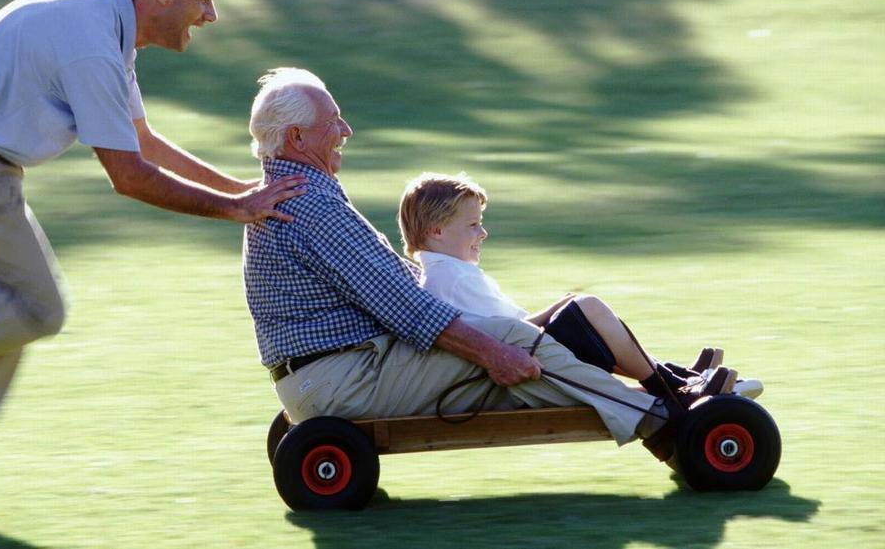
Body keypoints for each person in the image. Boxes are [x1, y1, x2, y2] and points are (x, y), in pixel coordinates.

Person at [0, 0, 307, 519]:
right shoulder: (93, 44)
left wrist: (241, 190)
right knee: (36, 308)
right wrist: (236, 210)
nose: (212, 14)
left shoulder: (106, 25)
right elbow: (130, 175)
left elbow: (141, 141)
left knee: (0, 318)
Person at [241, 67, 735, 474]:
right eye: (335, 121)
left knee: (511, 335)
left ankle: (658, 393)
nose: (346, 131)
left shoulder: (288, 193)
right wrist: (493, 350)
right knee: (513, 342)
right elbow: (408, 308)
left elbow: (392, 288)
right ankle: (665, 421)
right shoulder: (311, 205)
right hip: (342, 381)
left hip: (323, 378)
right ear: (297, 136)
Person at [396, 172, 763, 399]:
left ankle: (675, 377)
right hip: (520, 368)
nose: (483, 233)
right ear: (437, 231)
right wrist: (562, 308)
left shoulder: (447, 272)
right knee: (586, 308)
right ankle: (670, 385)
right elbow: (511, 335)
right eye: (473, 225)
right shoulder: (451, 277)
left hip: (522, 355)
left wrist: (559, 307)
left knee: (580, 309)